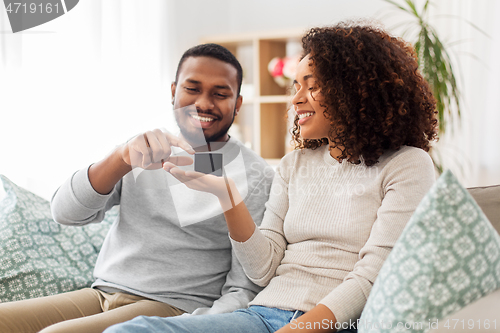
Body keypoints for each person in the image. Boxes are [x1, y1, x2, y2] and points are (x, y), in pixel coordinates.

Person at [104, 22, 439, 333]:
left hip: (330, 323)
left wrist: (297, 329)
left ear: (356, 90)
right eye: (296, 86)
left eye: (314, 86)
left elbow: (372, 277)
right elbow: (263, 269)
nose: (295, 99)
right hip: (261, 315)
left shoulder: (408, 165)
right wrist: (228, 198)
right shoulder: (295, 164)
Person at [0, 44, 274, 333]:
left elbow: (245, 285)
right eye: (192, 89)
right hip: (101, 293)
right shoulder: (143, 148)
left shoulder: (255, 176)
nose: (203, 103)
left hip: (172, 307)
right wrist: (120, 158)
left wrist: (198, 325)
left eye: (220, 94)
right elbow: (64, 213)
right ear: (173, 92)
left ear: (238, 104)